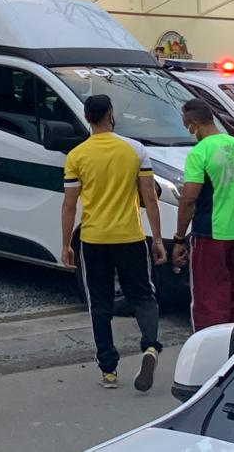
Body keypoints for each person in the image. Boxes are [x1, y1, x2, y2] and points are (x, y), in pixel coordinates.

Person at [61, 94, 167, 391]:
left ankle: (108, 370)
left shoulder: (77, 155)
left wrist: (66, 243)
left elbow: (69, 205)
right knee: (144, 296)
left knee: (100, 303)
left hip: (94, 238)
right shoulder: (134, 150)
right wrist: (157, 238)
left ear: (87, 117)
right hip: (130, 236)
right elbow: (149, 197)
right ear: (111, 114)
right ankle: (149, 346)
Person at [173, 99, 234, 332]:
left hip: (209, 234)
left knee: (208, 300)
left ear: (194, 124)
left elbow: (189, 197)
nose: (188, 130)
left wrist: (178, 237)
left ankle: (211, 353)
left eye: (187, 125)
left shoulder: (200, 151)